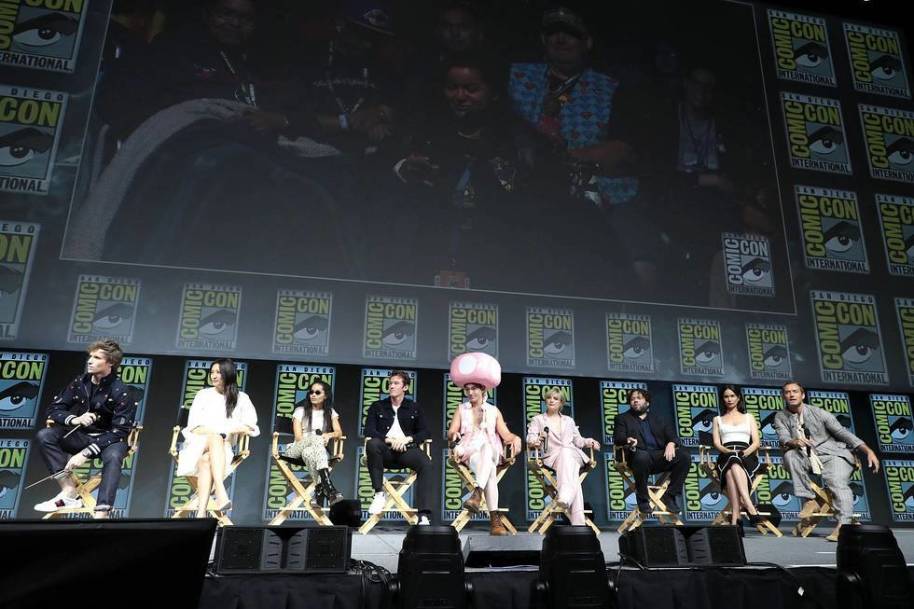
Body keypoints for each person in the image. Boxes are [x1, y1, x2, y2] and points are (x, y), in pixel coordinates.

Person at [34, 340, 137, 519]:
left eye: (97, 357)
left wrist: (85, 453)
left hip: (110, 441)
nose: (90, 360)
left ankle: (102, 511)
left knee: (113, 457)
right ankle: (69, 492)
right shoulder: (79, 382)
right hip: (82, 436)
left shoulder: (122, 391)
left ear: (110, 363)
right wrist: (75, 419)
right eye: (90, 356)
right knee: (45, 435)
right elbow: (54, 409)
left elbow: (120, 430)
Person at [774, 381, 880, 541]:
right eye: (787, 392)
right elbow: (783, 438)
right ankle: (810, 500)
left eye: (795, 391)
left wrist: (868, 451)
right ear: (783, 396)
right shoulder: (780, 416)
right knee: (790, 456)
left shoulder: (819, 413)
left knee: (836, 483)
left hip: (834, 454)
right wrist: (793, 442)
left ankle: (843, 526)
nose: (791, 394)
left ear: (802, 395)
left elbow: (843, 433)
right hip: (807, 456)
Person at [176, 359, 259, 518]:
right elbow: (194, 426)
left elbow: (251, 426)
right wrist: (220, 432)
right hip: (196, 445)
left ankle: (200, 514)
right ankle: (221, 492)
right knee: (215, 437)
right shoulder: (203, 394)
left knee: (205, 461)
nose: (213, 376)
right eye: (212, 372)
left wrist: (228, 431)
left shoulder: (242, 398)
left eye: (218, 372)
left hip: (222, 451)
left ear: (228, 374)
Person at [447, 379, 522, 535]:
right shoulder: (461, 409)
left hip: (493, 450)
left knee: (487, 448)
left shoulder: (493, 410)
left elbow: (506, 434)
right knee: (490, 470)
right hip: (470, 452)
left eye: (474, 388)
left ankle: (477, 493)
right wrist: (453, 434)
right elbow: (451, 431)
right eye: (467, 389)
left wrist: (515, 439)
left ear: (482, 390)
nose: (470, 392)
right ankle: (495, 521)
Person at [364, 371, 435, 525]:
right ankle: (379, 494)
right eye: (390, 383)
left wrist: (407, 439)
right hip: (385, 453)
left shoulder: (414, 407)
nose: (391, 386)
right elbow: (369, 431)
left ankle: (423, 515)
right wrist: (389, 440)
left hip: (406, 451)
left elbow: (425, 432)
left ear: (405, 387)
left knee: (426, 463)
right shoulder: (378, 406)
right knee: (372, 443)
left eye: (396, 383)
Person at [526, 389, 599, 526]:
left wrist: (589, 442)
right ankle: (578, 522)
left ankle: (565, 495)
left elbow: (578, 441)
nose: (551, 400)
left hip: (573, 454)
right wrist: (535, 440)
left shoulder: (568, 420)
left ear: (561, 403)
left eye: (555, 398)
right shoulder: (538, 419)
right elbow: (530, 436)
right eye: (549, 398)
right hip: (552, 457)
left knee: (566, 452)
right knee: (574, 480)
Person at [612, 388, 689, 515]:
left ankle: (670, 495)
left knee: (684, 456)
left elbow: (673, 436)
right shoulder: (622, 418)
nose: (635, 401)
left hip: (659, 456)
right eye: (632, 399)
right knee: (642, 457)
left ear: (647, 402)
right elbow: (618, 438)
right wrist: (628, 440)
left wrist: (671, 443)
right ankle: (643, 500)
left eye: (639, 398)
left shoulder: (659, 419)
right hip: (636, 456)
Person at [284, 380, 344, 505]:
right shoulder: (300, 410)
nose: (313, 395)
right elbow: (299, 438)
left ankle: (319, 491)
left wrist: (329, 434)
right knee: (316, 439)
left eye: (317, 392)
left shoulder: (330, 412)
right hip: (295, 450)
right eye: (311, 392)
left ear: (325, 395)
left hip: (315, 452)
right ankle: (329, 487)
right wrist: (318, 439)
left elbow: (338, 432)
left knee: (309, 453)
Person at [711, 385, 763, 529]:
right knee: (732, 463)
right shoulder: (717, 419)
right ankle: (749, 507)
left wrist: (745, 452)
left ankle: (736, 518)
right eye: (726, 396)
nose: (729, 399)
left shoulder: (749, 417)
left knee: (732, 467)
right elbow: (717, 443)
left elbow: (756, 442)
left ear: (738, 397)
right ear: (723, 399)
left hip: (746, 455)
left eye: (732, 396)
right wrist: (727, 451)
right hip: (726, 454)